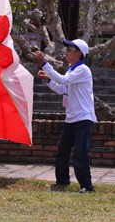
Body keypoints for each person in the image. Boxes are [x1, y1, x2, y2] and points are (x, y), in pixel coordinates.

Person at [33, 39, 97, 193]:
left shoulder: (83, 70)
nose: (67, 51)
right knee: (62, 151)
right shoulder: (71, 69)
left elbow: (63, 80)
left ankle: (87, 186)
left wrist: (45, 64)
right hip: (72, 118)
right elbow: (62, 89)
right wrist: (48, 79)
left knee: (81, 153)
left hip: (83, 118)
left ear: (79, 53)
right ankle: (62, 181)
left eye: (70, 49)